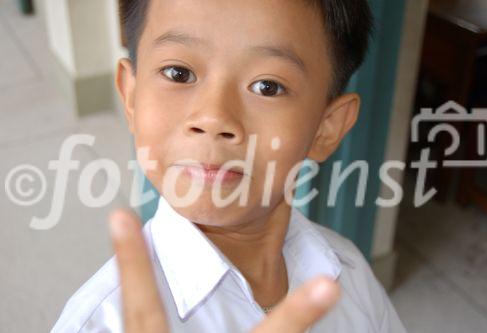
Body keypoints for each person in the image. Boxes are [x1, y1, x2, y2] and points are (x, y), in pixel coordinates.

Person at [52, 0, 407, 332]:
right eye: (178, 73)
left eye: (267, 86)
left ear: (326, 129)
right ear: (131, 97)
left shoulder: (349, 271)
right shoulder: (101, 321)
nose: (213, 117)